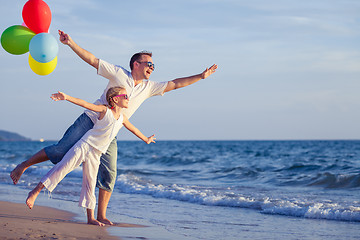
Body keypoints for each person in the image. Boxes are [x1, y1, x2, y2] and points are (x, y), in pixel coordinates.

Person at [11, 29, 218, 225]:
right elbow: (92, 60)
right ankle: (24, 165)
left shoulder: (149, 87)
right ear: (136, 64)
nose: (152, 68)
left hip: (111, 130)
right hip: (92, 119)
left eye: (154, 66)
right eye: (149, 64)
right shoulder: (119, 73)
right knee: (61, 150)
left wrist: (200, 76)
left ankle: (100, 215)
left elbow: (175, 83)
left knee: (109, 172)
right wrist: (70, 43)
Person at [26, 87, 156, 226]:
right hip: (84, 146)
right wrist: (66, 97)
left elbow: (134, 129)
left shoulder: (122, 118)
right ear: (115, 99)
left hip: (96, 153)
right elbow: (85, 104)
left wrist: (146, 139)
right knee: (62, 168)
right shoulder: (104, 110)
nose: (128, 98)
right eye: (125, 96)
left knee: (90, 183)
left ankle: (91, 218)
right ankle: (35, 192)